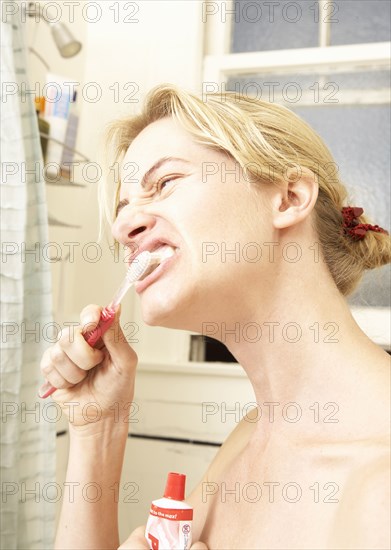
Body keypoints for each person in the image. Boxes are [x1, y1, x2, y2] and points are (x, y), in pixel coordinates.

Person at [40, 85, 391, 549]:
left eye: (164, 183)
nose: (121, 228)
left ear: (287, 198)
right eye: (123, 209)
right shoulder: (249, 441)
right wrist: (97, 431)